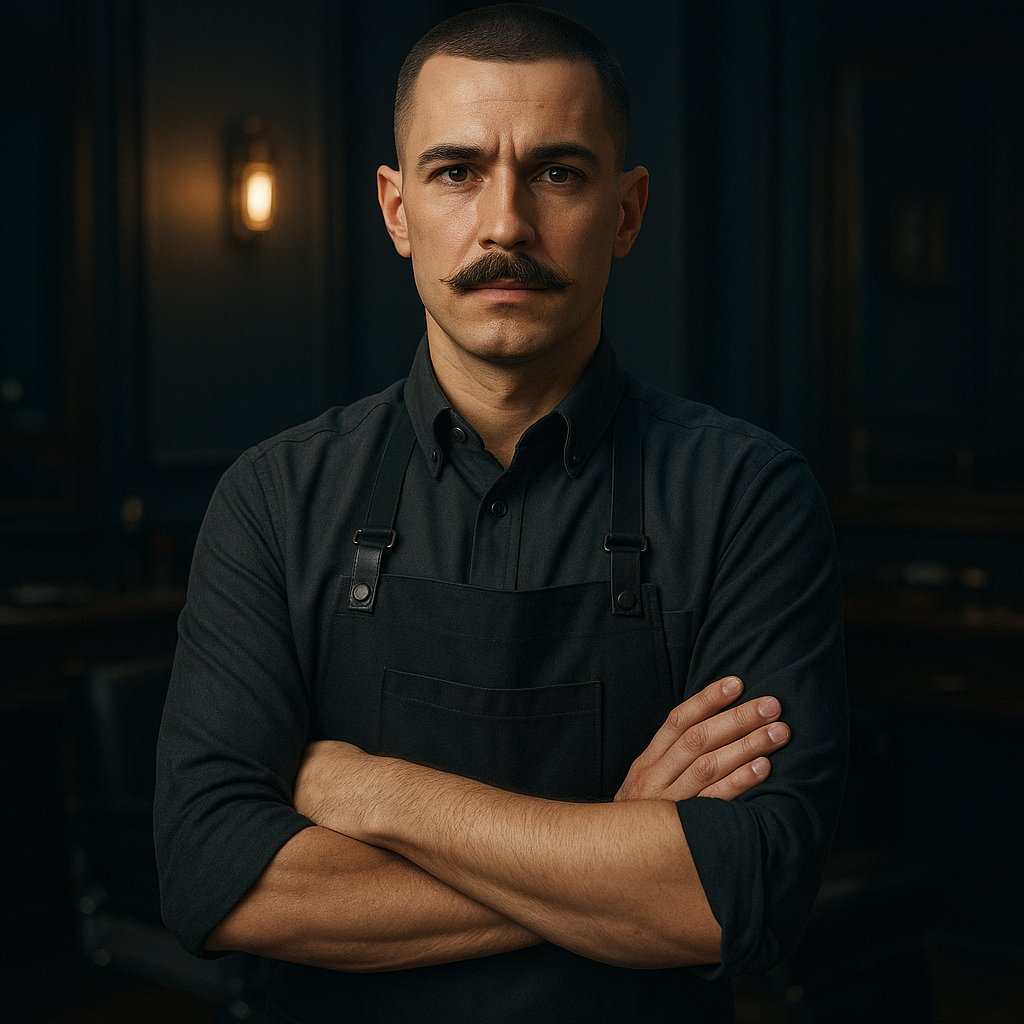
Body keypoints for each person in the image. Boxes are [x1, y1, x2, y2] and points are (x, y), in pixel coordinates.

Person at [154, 5, 847, 1022]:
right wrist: (613, 843)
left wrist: (375, 794)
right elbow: (215, 876)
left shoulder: (748, 495)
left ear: (626, 209)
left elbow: (738, 893)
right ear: (396, 210)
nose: (506, 225)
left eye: (558, 172)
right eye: (456, 171)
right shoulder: (273, 498)